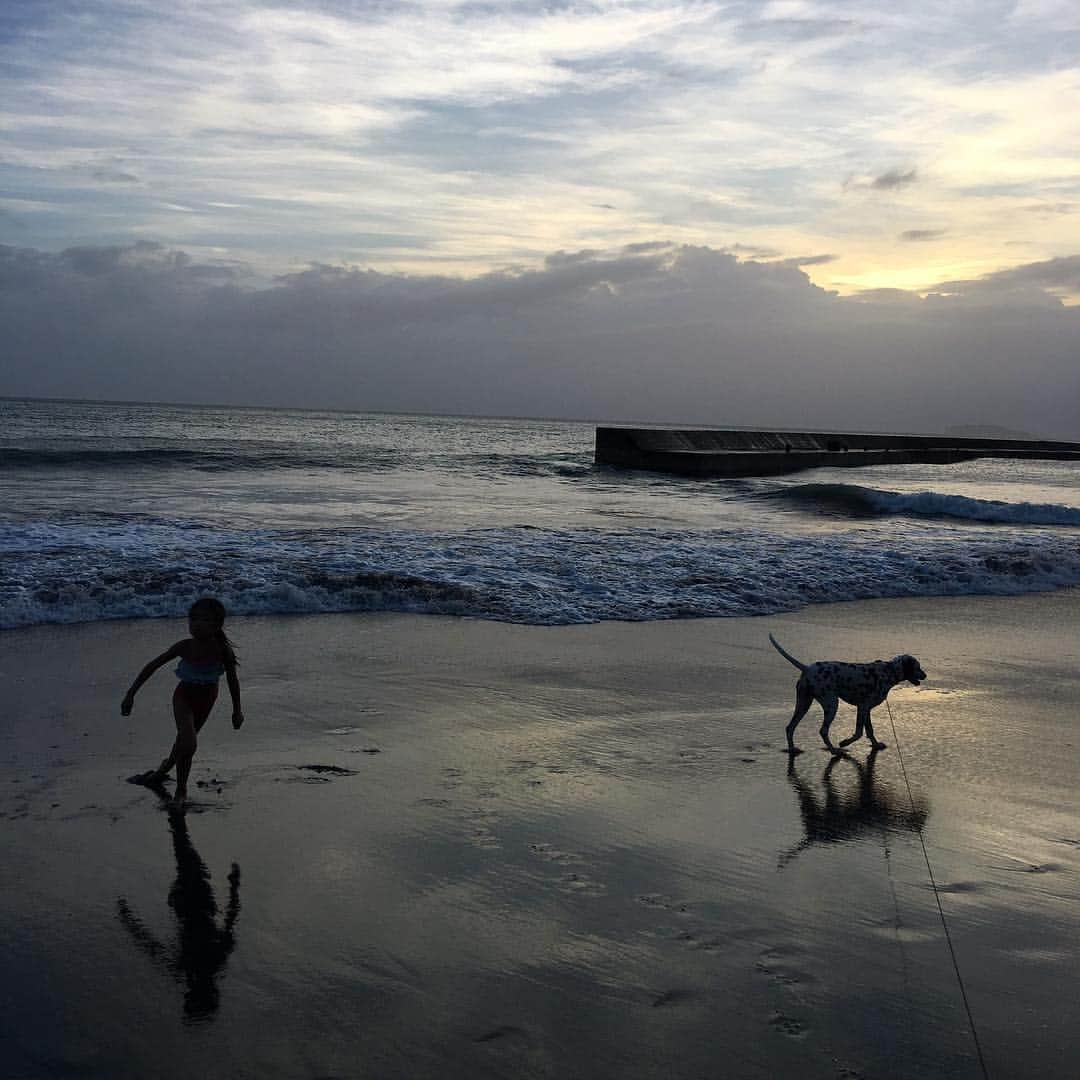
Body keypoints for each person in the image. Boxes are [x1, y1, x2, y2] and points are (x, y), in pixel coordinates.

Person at [122, 597, 244, 803]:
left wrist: (237, 710)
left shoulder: (222, 650)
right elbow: (153, 665)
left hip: (207, 698)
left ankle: (162, 770)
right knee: (188, 741)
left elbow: (233, 680)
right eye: (193, 619)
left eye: (204, 620)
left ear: (217, 625)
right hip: (184, 696)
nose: (197, 624)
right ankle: (180, 790)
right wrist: (130, 694)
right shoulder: (184, 646)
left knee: (183, 743)